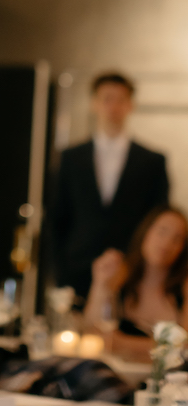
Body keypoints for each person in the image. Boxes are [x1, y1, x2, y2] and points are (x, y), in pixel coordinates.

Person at [51, 72, 169, 302]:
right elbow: (57, 219)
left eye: (120, 100)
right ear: (94, 104)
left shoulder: (152, 161)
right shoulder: (71, 158)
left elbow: (157, 219)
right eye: (107, 99)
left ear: (130, 105)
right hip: (78, 268)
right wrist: (60, 272)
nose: (113, 107)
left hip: (132, 271)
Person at [83, 206, 188, 360]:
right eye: (162, 232)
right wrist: (100, 284)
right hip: (117, 373)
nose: (166, 243)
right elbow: (92, 331)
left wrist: (123, 343)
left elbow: (184, 347)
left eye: (177, 238)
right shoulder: (120, 276)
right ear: (146, 231)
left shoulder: (183, 288)